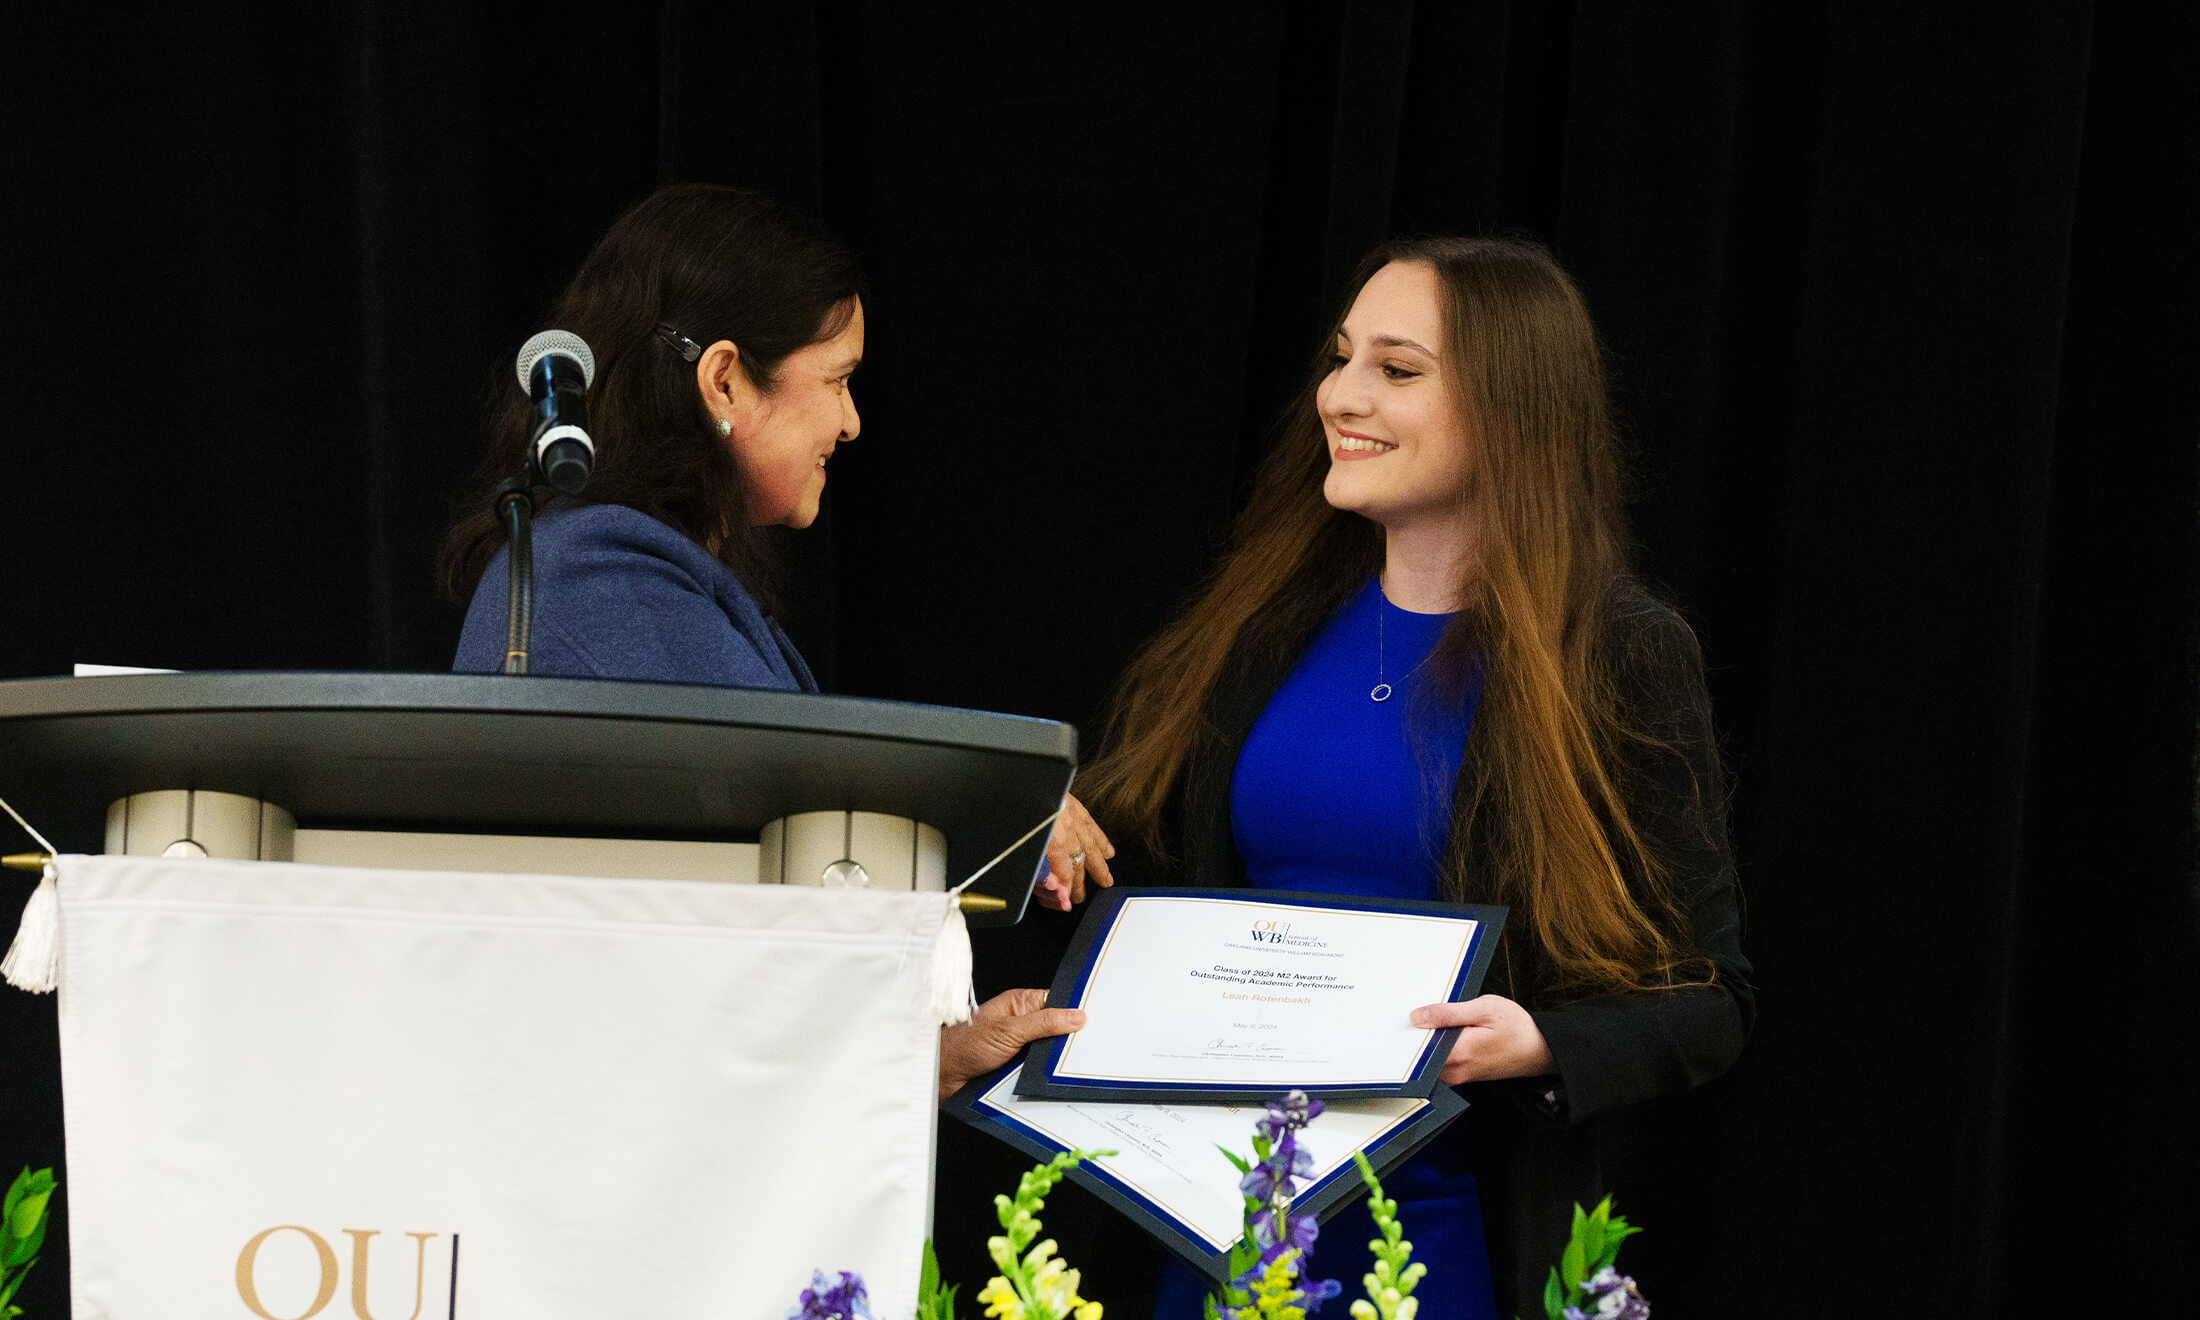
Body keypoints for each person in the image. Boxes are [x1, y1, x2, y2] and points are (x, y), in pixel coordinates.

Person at [1074, 237, 1754, 1319]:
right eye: (1340, 359)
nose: (1339, 395)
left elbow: (1709, 1003)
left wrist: (1536, 1043)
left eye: (1396, 369)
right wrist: (1047, 824)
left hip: (1439, 1240)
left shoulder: (1614, 654)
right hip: (1212, 1230)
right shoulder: (1266, 624)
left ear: (1508, 411)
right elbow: (1146, 875)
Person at [436, 183, 1113, 1095]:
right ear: (724, 380)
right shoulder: (595, 577)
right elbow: (794, 808)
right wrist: (1004, 799)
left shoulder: (625, 568)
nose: (851, 420)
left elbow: (724, 963)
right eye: (836, 380)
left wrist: (930, 1060)